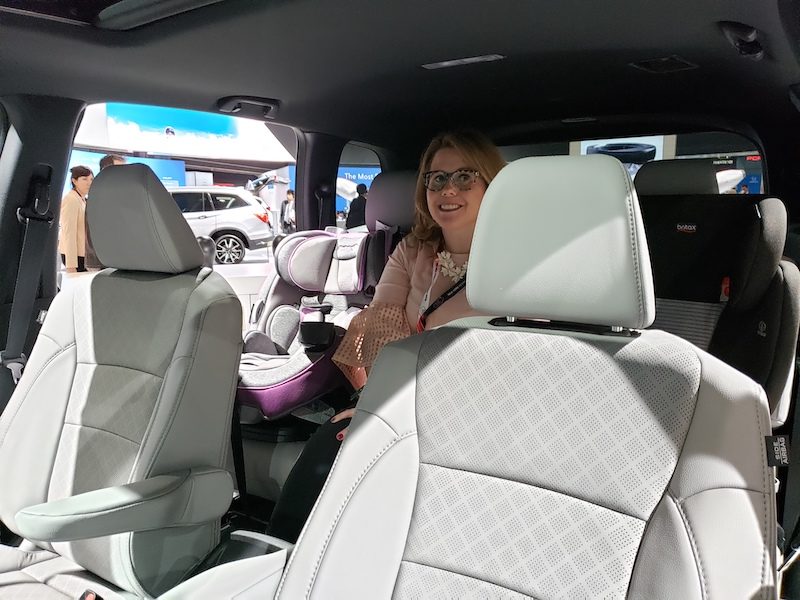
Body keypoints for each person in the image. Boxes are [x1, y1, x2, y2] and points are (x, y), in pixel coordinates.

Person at [266, 130, 506, 542]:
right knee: (330, 450)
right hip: (405, 396)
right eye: (436, 179)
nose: (448, 190)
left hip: (483, 408)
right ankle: (284, 564)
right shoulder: (414, 250)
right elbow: (381, 330)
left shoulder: (516, 255)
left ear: (491, 184)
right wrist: (376, 408)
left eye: (465, 177)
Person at [85, 154, 126, 270]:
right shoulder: (102, 193)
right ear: (106, 170)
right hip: (104, 261)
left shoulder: (114, 192)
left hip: (112, 259)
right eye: (120, 169)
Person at [58, 165, 93, 273]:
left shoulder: (82, 199)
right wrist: (71, 265)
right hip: (75, 255)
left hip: (83, 253)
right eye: (84, 179)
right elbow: (69, 233)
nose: (89, 183)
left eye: (91, 179)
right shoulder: (71, 199)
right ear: (74, 181)